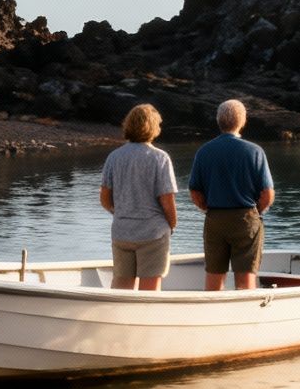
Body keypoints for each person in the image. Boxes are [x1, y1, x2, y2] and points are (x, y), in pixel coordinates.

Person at [187, 98, 275, 291]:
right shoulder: (254, 151)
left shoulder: (204, 152)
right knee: (245, 280)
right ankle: (243, 318)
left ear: (219, 121)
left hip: (215, 218)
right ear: (243, 121)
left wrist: (207, 208)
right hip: (245, 219)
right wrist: (257, 211)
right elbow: (268, 193)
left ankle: (213, 317)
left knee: (214, 277)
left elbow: (194, 191)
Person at [98, 103, 178, 290]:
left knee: (121, 285)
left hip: (122, 231)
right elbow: (167, 200)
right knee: (150, 289)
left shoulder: (114, 157)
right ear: (153, 127)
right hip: (153, 233)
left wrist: (120, 212)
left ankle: (118, 318)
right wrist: (172, 225)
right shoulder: (160, 158)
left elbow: (104, 197)